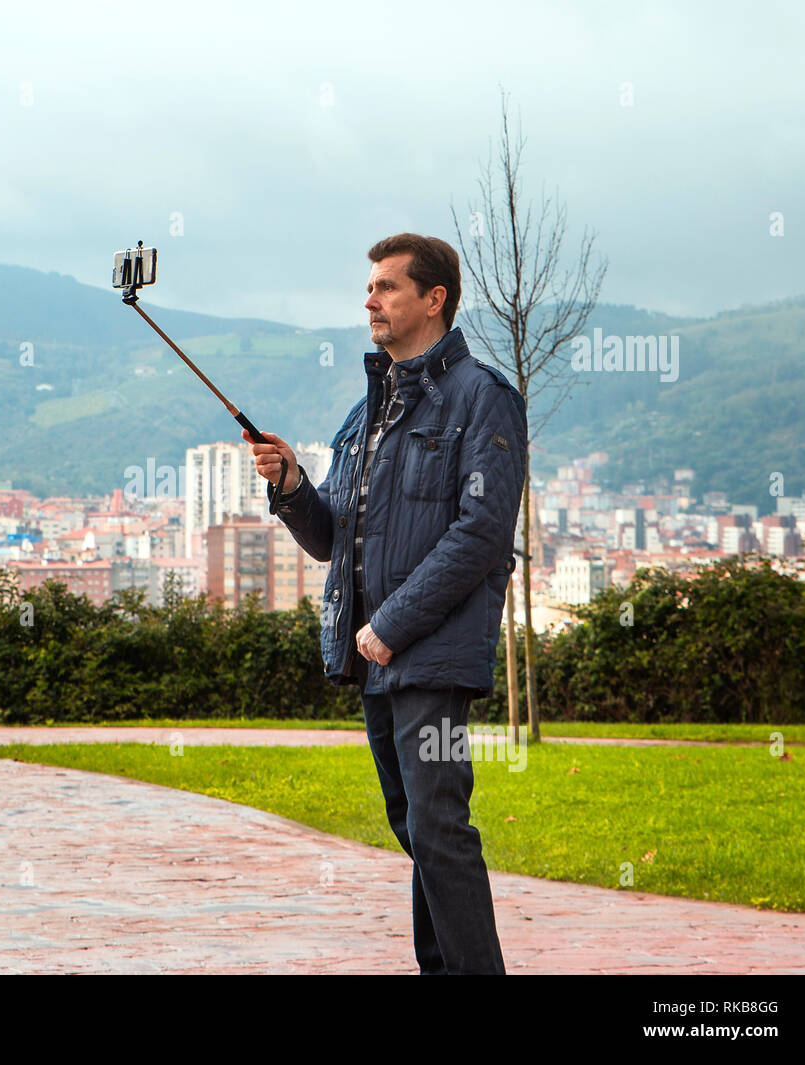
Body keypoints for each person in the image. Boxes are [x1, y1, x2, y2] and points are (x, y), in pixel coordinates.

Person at [243, 233, 526, 975]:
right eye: (369, 287)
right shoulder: (365, 412)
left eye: (387, 287)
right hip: (373, 658)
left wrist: (391, 625)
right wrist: (292, 483)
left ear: (434, 300)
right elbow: (331, 536)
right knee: (414, 826)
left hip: (427, 651)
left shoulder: (481, 398)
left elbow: (483, 532)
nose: (369, 299)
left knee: (439, 825)